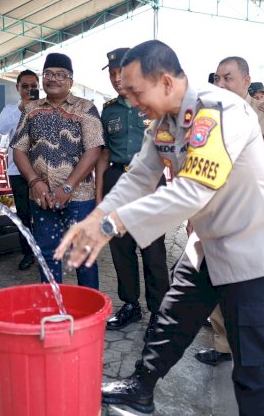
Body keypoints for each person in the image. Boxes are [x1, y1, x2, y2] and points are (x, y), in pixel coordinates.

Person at [54, 40, 264, 415]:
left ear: (166, 82)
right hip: (209, 242)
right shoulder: (165, 120)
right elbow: (139, 178)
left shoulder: (218, 111)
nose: (131, 102)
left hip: (253, 247)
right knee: (170, 320)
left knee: (253, 365)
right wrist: (93, 219)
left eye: (135, 91)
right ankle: (141, 389)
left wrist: (113, 224)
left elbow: (193, 189)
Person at [195, 57, 264, 367]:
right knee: (216, 277)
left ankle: (253, 351)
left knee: (253, 290)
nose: (222, 84)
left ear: (246, 81)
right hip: (217, 213)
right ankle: (224, 344)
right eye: (217, 79)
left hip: (255, 215)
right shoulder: (206, 117)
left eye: (228, 78)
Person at [11, 53, 102, 289]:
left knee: (83, 256)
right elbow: (19, 150)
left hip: (79, 197)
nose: (53, 79)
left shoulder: (86, 108)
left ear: (71, 80)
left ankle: (89, 314)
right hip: (41, 197)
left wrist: (68, 186)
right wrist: (33, 181)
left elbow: (93, 151)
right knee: (47, 254)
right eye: (48, 74)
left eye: (60, 75)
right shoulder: (30, 110)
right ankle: (52, 309)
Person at [95, 47, 169, 335]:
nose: (116, 78)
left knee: (153, 251)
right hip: (117, 179)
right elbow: (102, 154)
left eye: (121, 72)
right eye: (112, 73)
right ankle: (130, 305)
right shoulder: (108, 109)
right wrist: (100, 195)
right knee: (121, 249)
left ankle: (159, 312)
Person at [0, 69, 40, 271]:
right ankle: (28, 253)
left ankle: (46, 252)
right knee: (23, 215)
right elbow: (2, 128)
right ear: (17, 88)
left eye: (33, 86)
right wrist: (23, 107)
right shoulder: (11, 109)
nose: (30, 90)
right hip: (17, 171)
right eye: (25, 86)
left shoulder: (46, 108)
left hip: (43, 171)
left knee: (43, 213)